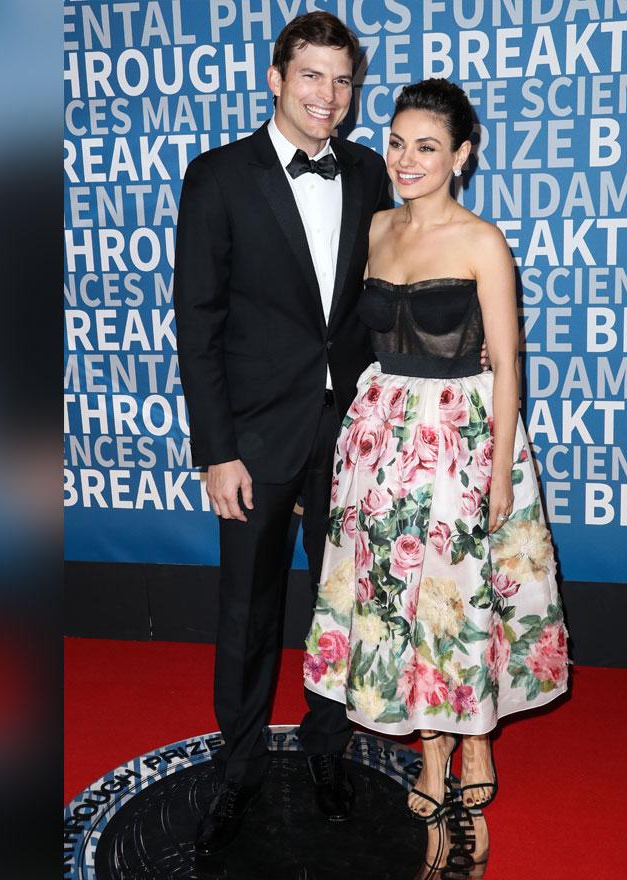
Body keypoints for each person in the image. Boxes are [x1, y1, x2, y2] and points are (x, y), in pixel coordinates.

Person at [302, 78, 570, 824]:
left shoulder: (482, 240)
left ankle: (475, 735)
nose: (406, 158)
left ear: (462, 155)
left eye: (426, 146)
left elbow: (509, 363)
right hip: (380, 438)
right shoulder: (377, 230)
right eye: (396, 142)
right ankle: (430, 750)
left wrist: (500, 468)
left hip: (461, 437)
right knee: (398, 599)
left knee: (456, 595)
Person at [173, 12, 390, 854]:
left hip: (350, 434)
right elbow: (199, 322)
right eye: (312, 77)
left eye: (342, 81)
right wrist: (216, 449)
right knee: (247, 610)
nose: (328, 98)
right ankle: (237, 768)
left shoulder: (370, 172)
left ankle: (329, 750)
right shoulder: (218, 176)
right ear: (275, 77)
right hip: (255, 440)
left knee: (340, 604)